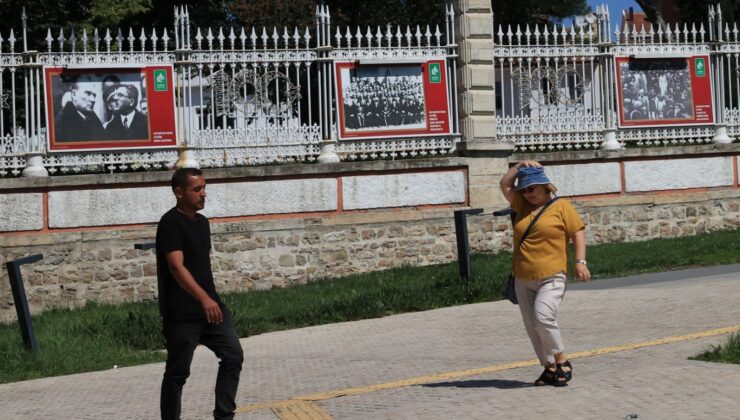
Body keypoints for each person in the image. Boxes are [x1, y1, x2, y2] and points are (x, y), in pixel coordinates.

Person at [156, 168, 244, 420]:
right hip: (182, 313)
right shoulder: (170, 223)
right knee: (177, 373)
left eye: (204, 187)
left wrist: (210, 299)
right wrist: (203, 298)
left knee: (233, 355)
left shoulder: (202, 222)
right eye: (197, 189)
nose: (203, 193)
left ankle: (224, 415)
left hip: (212, 309)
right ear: (179, 192)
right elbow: (176, 266)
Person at [499, 161, 591, 387]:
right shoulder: (521, 205)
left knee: (543, 317)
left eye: (532, 188)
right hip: (523, 277)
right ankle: (549, 368)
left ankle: (561, 360)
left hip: (552, 275)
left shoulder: (561, 207)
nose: (527, 193)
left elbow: (577, 234)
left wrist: (580, 261)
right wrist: (518, 167)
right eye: (524, 189)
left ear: (544, 187)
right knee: (532, 326)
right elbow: (504, 184)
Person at [54, 77, 106, 142]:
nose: (93, 100)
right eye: (88, 94)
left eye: (94, 95)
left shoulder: (92, 117)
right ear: (74, 94)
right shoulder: (63, 124)